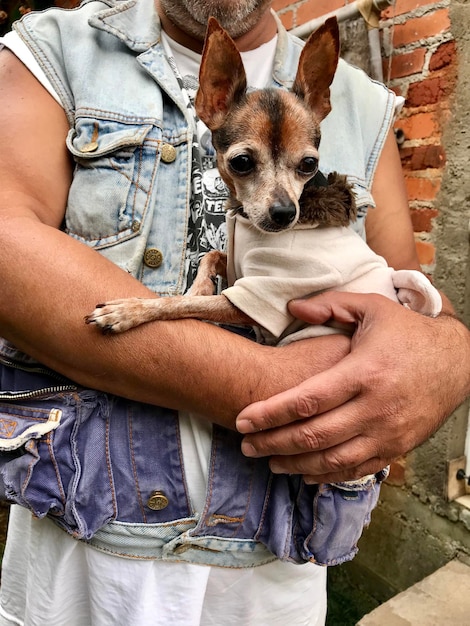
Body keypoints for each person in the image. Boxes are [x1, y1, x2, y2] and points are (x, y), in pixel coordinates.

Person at [0, 1, 468, 625]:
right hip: (86, 533)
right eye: (245, 164)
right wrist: (276, 388)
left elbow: (408, 295)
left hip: (278, 550)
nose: (282, 202)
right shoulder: (54, 48)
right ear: (212, 101)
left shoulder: (363, 100)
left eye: (304, 169)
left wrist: (453, 354)